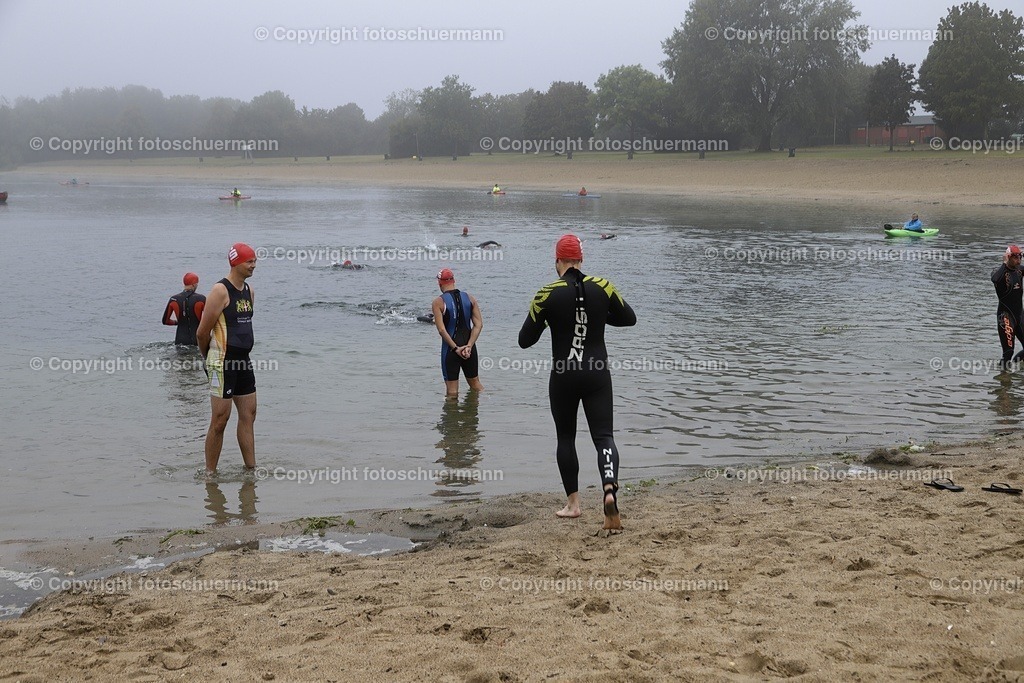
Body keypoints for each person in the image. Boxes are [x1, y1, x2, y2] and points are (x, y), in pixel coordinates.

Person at [519, 234, 636, 530]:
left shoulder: (546, 294)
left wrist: (550, 320)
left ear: (557, 261)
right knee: (604, 437)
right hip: (597, 373)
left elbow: (525, 340)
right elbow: (629, 318)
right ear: (581, 260)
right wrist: (595, 316)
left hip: (564, 374)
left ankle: (573, 505)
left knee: (565, 438)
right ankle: (609, 489)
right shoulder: (603, 286)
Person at [197, 243, 258, 474]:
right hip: (221, 361)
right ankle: (210, 473)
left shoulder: (249, 291)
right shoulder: (220, 291)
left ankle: (250, 469)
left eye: (255, 261)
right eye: (249, 261)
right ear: (235, 263)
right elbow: (202, 332)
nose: (253, 265)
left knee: (249, 414)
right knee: (221, 419)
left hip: (243, 361)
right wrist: (208, 358)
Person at [431, 268, 484, 397]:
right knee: (476, 385)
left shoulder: (438, 302)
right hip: (469, 349)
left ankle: (452, 411)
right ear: (454, 281)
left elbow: (441, 330)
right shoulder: (470, 298)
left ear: (439, 283)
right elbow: (479, 325)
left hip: (451, 350)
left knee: (452, 392)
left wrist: (456, 349)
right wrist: (469, 346)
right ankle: (488, 406)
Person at [992, 244, 1024, 366]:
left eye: (1020, 257)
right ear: (1008, 257)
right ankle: (1003, 374)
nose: (1018, 260)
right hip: (1005, 317)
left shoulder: (1019, 270)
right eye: (1015, 257)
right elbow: (995, 279)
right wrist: (1004, 263)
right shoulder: (999, 272)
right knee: (1008, 352)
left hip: (1019, 316)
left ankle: (1014, 366)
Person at [162, 272, 207, 346]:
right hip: (197, 340)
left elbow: (165, 321)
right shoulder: (201, 299)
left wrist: (179, 322)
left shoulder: (174, 299)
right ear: (194, 284)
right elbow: (210, 319)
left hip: (180, 340)